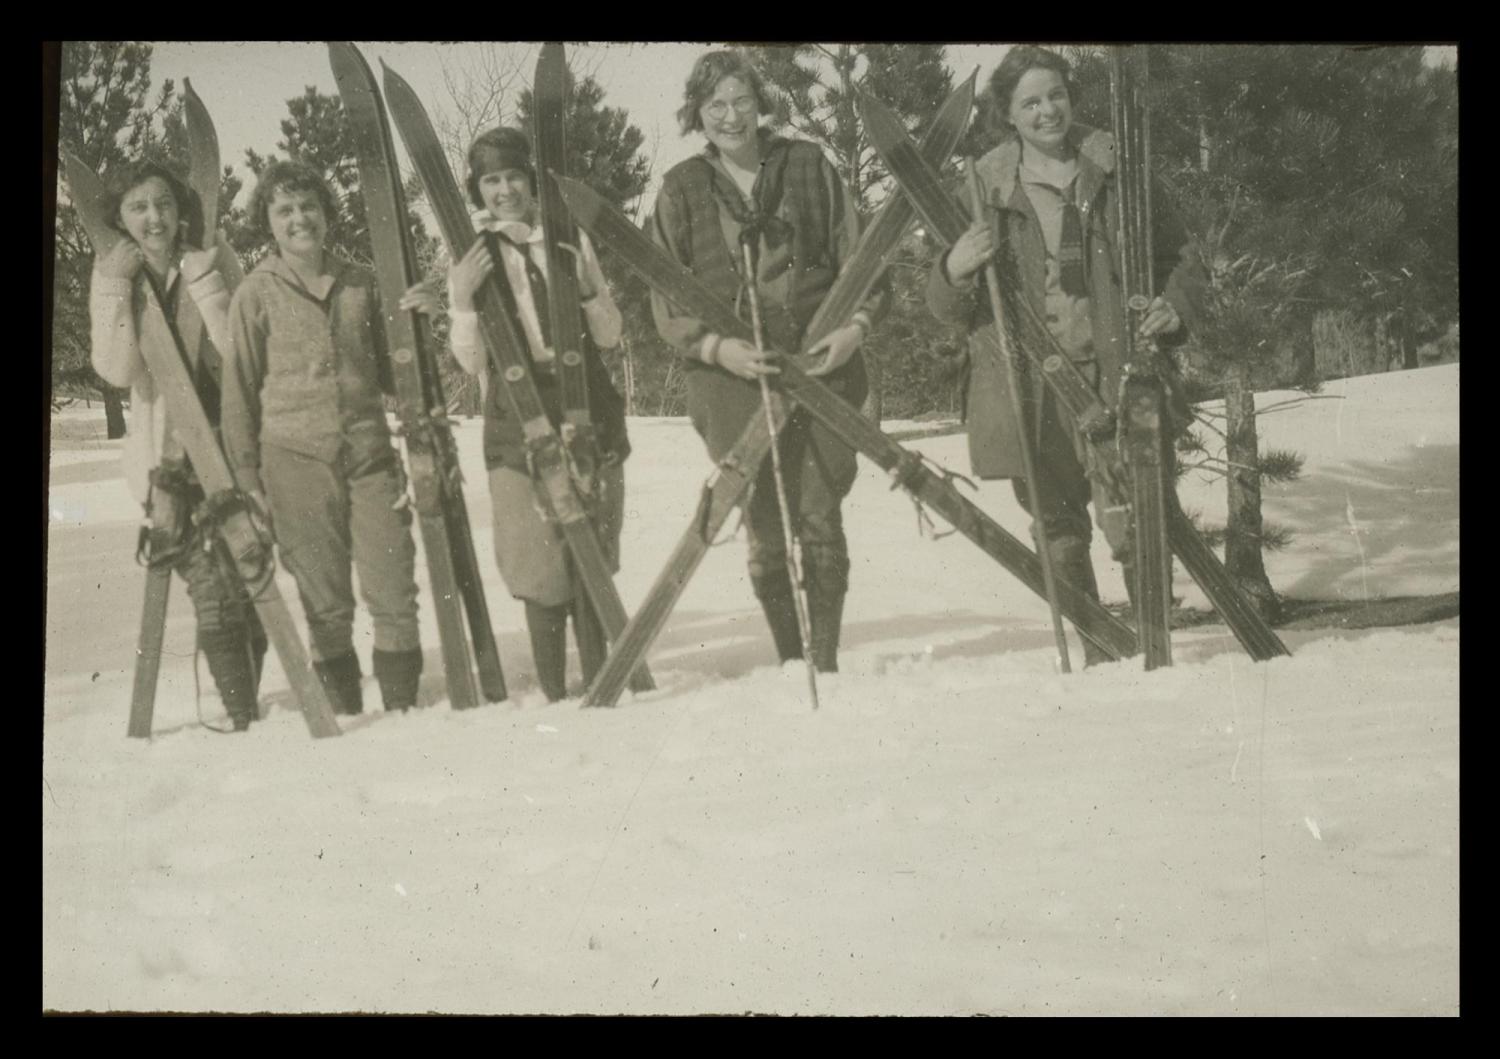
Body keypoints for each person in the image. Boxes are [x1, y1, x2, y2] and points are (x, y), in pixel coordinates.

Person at [926, 45, 1206, 664]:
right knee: (1057, 529)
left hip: (1120, 374)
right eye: (1030, 101)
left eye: (1055, 95)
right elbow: (943, 305)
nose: (1047, 110)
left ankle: (1155, 657)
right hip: (1031, 385)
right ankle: (1101, 655)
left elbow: (1183, 255)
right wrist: (955, 267)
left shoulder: (1116, 166)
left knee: (1136, 521)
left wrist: (1174, 307)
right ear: (1009, 114)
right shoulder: (984, 187)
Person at [650, 49, 887, 674]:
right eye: (715, 105)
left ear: (761, 104)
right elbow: (666, 295)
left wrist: (854, 330)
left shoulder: (809, 167)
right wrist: (717, 347)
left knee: (816, 506)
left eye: (741, 101)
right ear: (697, 115)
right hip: (732, 377)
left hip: (818, 364)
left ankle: (824, 660)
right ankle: (789, 658)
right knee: (761, 510)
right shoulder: (681, 189)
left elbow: (859, 258)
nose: (731, 116)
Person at [222, 160, 424, 715]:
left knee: (392, 585)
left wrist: (420, 321)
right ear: (268, 222)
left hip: (368, 453)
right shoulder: (255, 294)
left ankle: (405, 711)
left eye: (308, 206)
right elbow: (238, 390)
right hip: (293, 460)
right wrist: (246, 478)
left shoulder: (359, 282)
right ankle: (345, 712)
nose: (299, 218)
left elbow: (394, 369)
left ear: (326, 215)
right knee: (325, 600)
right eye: (284, 210)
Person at [438, 126, 630, 702]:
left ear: (531, 180)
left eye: (514, 177)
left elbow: (611, 334)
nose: (504, 190)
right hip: (515, 412)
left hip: (583, 401)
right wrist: (461, 299)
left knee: (588, 551)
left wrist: (592, 288)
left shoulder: (565, 238)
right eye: (491, 180)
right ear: (478, 188)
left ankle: (601, 685)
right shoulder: (470, 252)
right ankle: (553, 693)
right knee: (535, 558)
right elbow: (470, 364)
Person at [89, 159, 267, 731]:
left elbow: (238, 349)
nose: (154, 217)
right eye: (138, 207)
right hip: (163, 463)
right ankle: (241, 717)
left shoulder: (212, 257)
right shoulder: (113, 272)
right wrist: (117, 285)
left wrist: (206, 280)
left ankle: (247, 705)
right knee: (212, 586)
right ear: (120, 217)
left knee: (246, 581)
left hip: (228, 446)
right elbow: (118, 371)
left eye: (163, 203)